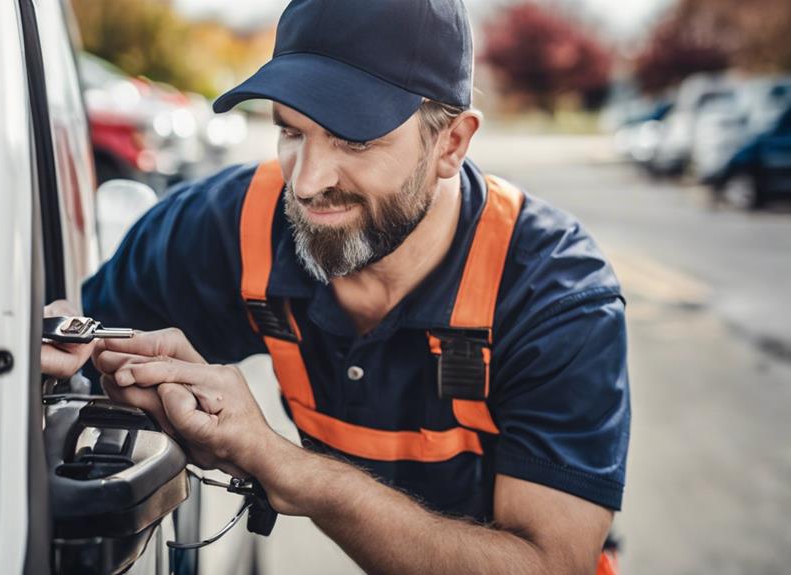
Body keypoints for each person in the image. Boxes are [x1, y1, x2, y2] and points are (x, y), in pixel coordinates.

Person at [43, 0, 629, 573]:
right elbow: (74, 356)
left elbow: (549, 564)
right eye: (290, 130)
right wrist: (55, 352)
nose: (306, 182)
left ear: (450, 143)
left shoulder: (555, 296)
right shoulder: (224, 226)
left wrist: (280, 463)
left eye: (355, 140)